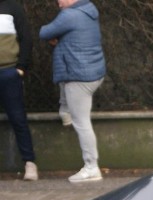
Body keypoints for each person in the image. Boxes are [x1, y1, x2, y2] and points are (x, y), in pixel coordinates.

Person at [40, 0, 105, 183]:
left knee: (82, 123)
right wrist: (60, 40)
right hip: (94, 73)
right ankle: (65, 110)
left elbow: (44, 32)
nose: (58, 3)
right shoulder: (89, 10)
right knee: (65, 87)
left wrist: (55, 38)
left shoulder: (69, 15)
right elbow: (73, 35)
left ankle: (92, 167)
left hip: (78, 77)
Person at [0, 0, 37, 181]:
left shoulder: (12, 8)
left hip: (9, 72)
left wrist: (21, 67)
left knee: (18, 119)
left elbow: (26, 37)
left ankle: (30, 164)